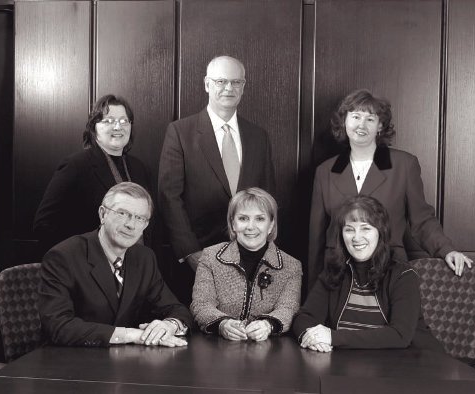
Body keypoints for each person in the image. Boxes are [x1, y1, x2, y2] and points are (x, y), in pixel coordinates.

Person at [308, 89, 472, 289]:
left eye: (370, 119)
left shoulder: (404, 165)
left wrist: (446, 250)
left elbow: (422, 221)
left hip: (389, 272)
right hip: (337, 275)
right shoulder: (324, 171)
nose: (361, 124)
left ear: (380, 126)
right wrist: (313, 289)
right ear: (344, 122)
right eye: (356, 116)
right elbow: (315, 238)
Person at [158, 55, 276, 304]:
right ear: (206, 84)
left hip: (250, 256)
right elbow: (169, 197)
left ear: (243, 87)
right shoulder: (180, 132)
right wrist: (190, 252)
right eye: (221, 81)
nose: (228, 88)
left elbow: (267, 198)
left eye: (236, 82)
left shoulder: (258, 136)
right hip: (197, 258)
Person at [39, 182, 191, 347]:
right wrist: (132, 334)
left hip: (125, 363)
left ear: (145, 225)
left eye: (139, 218)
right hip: (71, 363)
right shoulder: (63, 257)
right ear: (102, 214)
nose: (131, 225)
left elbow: (176, 309)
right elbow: (58, 327)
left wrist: (169, 325)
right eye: (122, 213)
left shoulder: (144, 258)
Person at [293, 195, 443, 352]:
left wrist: (333, 337)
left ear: (381, 233)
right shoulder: (334, 271)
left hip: (413, 365)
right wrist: (310, 337)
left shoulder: (403, 275)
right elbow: (304, 317)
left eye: (365, 228)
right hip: (347, 368)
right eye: (349, 230)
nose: (357, 238)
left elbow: (400, 335)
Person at [34, 94, 150, 255]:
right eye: (109, 121)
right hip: (89, 269)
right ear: (94, 127)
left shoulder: (139, 168)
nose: (118, 127)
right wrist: (80, 262)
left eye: (124, 121)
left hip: (136, 267)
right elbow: (44, 224)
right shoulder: (76, 166)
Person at [191, 188, 301, 341]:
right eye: (243, 218)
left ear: (271, 225)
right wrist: (223, 324)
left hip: (269, 351)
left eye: (260, 219)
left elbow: (288, 309)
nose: (251, 226)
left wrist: (267, 325)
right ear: (233, 223)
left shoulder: (292, 266)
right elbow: (201, 305)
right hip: (217, 348)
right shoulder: (210, 256)